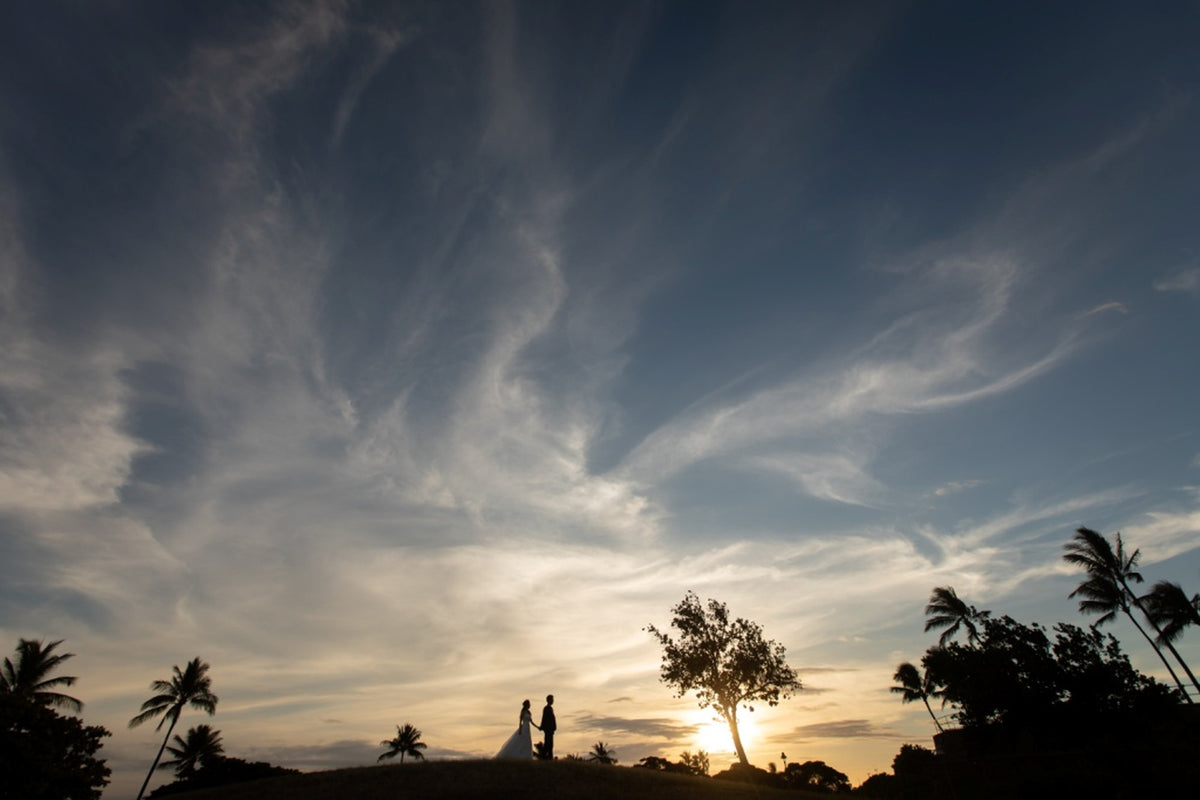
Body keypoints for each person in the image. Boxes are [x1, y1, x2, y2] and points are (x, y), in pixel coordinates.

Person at [540, 694, 556, 759]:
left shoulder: (550, 708)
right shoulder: (546, 708)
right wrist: (542, 726)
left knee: (550, 744)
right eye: (551, 699)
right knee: (548, 744)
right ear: (548, 700)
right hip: (548, 729)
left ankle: (549, 757)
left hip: (550, 729)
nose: (553, 701)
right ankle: (545, 757)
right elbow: (544, 718)